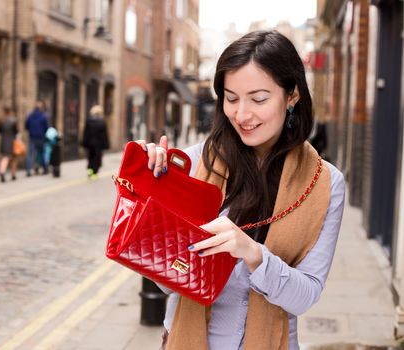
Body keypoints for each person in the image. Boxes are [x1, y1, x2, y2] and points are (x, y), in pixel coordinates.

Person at [135, 30, 346, 349]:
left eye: (259, 99)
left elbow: (305, 297)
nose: (242, 115)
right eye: (231, 99)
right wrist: (151, 193)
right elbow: (163, 284)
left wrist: (253, 254)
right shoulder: (194, 162)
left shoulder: (325, 184)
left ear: (292, 95)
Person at [82, 105, 109, 180]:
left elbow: (85, 133)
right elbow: (104, 135)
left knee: (90, 156)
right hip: (98, 144)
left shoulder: (89, 120)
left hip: (90, 143)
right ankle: (94, 173)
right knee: (97, 158)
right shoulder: (101, 121)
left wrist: (84, 142)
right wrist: (105, 144)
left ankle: (90, 170)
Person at [25, 100, 49, 176]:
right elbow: (46, 128)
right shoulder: (43, 117)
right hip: (41, 138)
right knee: (41, 154)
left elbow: (26, 126)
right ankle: (44, 169)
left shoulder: (30, 116)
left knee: (30, 155)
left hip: (32, 137)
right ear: (40, 108)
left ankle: (28, 171)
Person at [0, 106, 18, 182]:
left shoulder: (1, 120)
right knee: (12, 158)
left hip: (4, 140)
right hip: (12, 140)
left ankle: (3, 171)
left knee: (5, 157)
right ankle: (12, 174)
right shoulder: (13, 120)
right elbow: (16, 131)